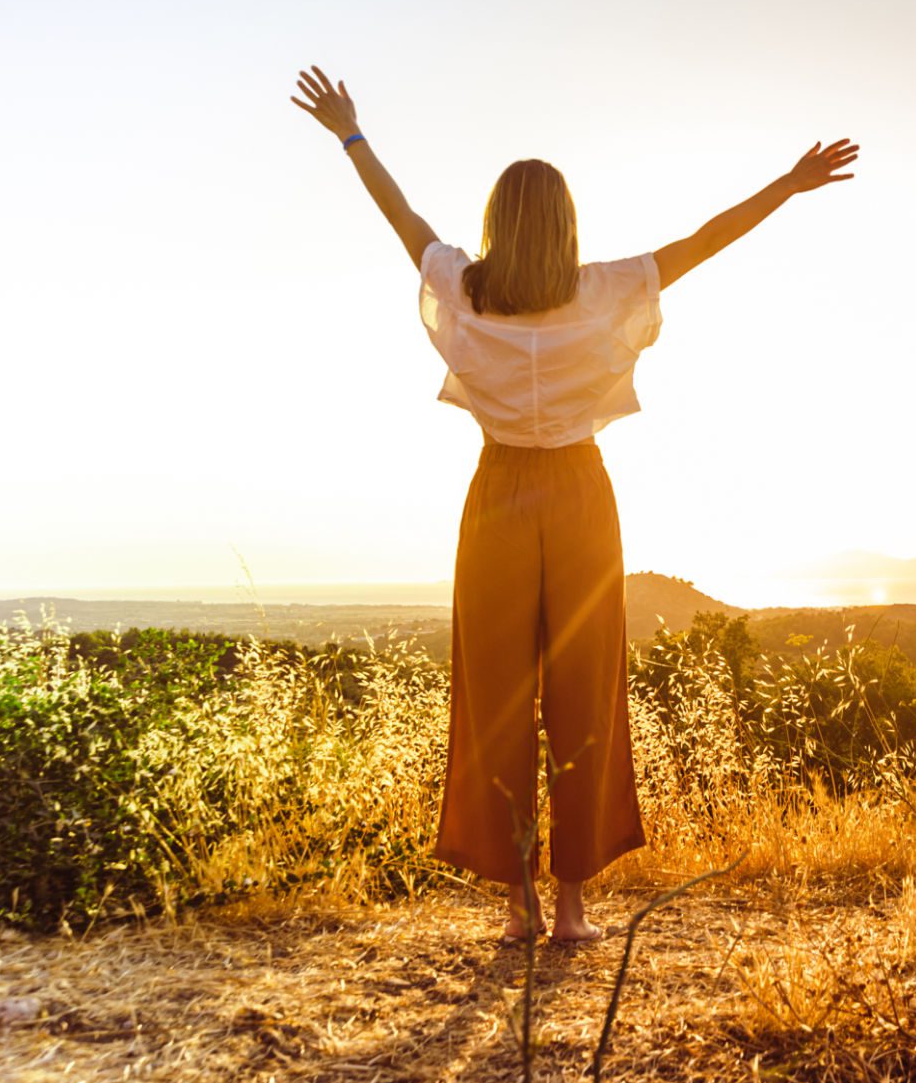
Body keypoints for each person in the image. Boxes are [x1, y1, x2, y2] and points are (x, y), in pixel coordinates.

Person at [291, 66, 858, 941]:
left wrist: (351, 135)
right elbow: (709, 239)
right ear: (565, 225)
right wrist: (788, 183)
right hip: (582, 493)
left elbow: (402, 219)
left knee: (498, 693)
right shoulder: (602, 292)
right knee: (586, 693)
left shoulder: (464, 288)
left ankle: (516, 906)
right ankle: (571, 907)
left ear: (494, 225)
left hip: (497, 493)